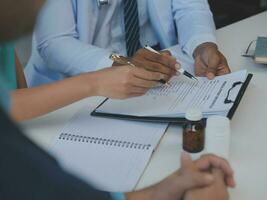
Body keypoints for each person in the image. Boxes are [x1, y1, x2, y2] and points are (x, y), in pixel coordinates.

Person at [0, 0, 235, 200]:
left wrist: (162, 191)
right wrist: (98, 80)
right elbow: (52, 42)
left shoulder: (6, 49)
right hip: (74, 98)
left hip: (144, 87)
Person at [25, 0, 231, 87]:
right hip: (81, 79)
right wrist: (121, 64)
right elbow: (54, 43)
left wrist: (202, 43)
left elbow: (190, 6)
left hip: (159, 68)